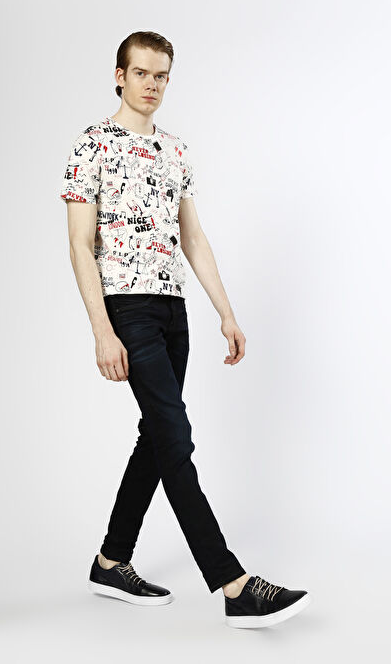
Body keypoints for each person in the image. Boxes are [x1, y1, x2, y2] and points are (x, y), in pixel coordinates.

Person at [59, 31, 311, 628]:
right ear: (119, 75)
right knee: (175, 438)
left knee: (157, 435)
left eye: (161, 76)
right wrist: (102, 330)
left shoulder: (175, 150)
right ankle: (233, 584)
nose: (152, 85)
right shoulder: (91, 145)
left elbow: (193, 238)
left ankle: (110, 561)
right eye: (141, 73)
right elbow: (79, 243)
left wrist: (226, 312)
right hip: (127, 308)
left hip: (174, 311)